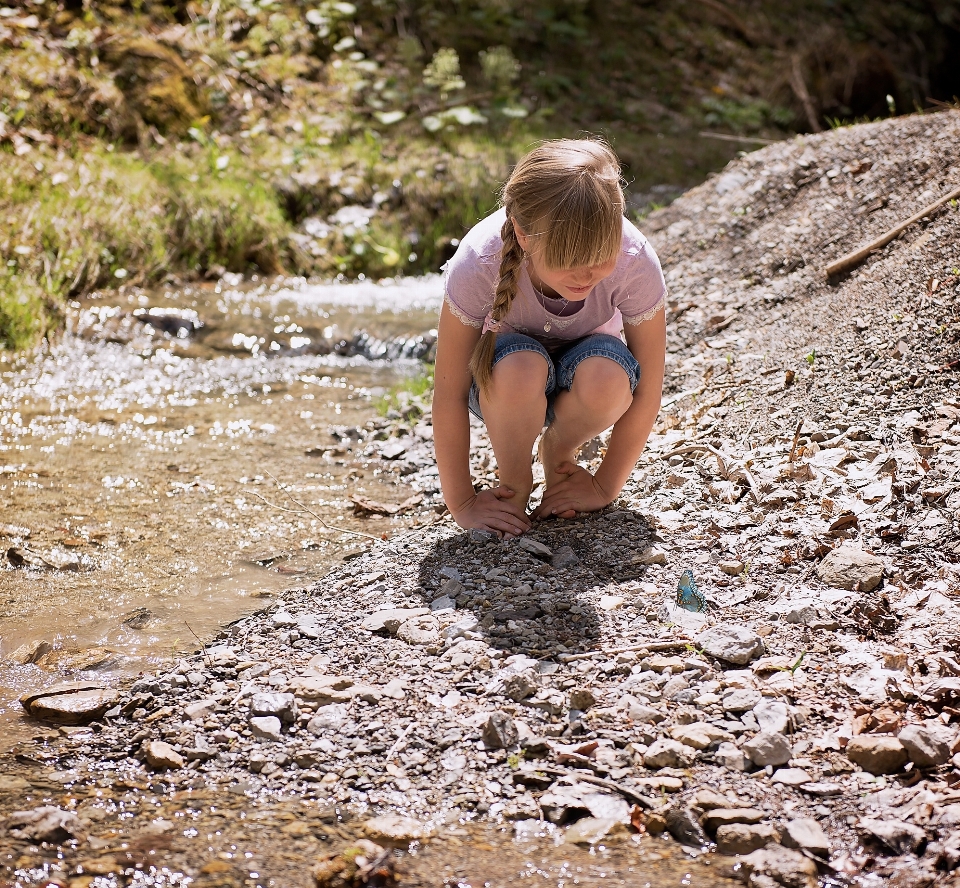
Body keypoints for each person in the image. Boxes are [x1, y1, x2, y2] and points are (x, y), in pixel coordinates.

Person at [433, 139, 666, 538]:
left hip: (586, 381)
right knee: (522, 367)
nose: (587, 276)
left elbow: (649, 388)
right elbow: (448, 393)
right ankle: (515, 481)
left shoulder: (633, 261)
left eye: (600, 258)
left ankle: (559, 451)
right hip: (504, 388)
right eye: (571, 262)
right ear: (524, 236)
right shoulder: (479, 261)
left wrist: (604, 485)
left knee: (609, 378)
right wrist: (463, 503)